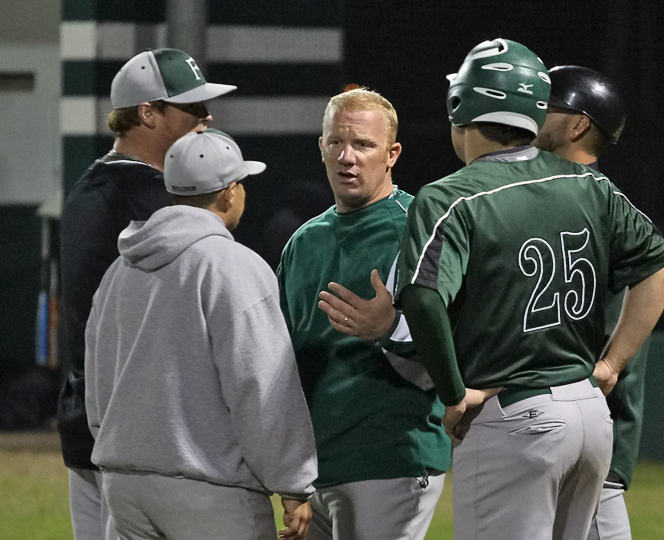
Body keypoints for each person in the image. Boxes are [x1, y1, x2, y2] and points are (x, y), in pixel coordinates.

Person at [395, 39, 664, 540]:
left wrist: (453, 394)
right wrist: (611, 365)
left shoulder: (451, 195)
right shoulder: (590, 185)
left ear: (461, 105)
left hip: (515, 418)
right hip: (590, 415)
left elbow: (422, 296)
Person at [85, 130, 317, 539]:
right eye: (241, 183)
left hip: (124, 486)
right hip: (209, 491)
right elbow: (261, 384)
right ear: (228, 194)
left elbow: (96, 379)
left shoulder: (120, 270)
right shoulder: (232, 265)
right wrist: (293, 481)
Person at [57, 48, 236, 540]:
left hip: (93, 421)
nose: (206, 117)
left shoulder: (91, 186)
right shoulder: (147, 198)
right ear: (147, 113)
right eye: (192, 108)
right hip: (143, 440)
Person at [277, 88, 451, 540]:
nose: (347, 157)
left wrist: (390, 328)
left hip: (391, 457)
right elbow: (284, 356)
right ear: (321, 147)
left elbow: (460, 345)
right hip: (314, 465)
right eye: (336, 142)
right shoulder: (303, 241)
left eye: (364, 145)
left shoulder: (420, 229)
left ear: (392, 154)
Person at [533, 64, 663, 538]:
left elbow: (663, 270)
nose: (534, 114)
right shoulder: (555, 197)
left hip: (594, 431)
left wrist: (610, 366)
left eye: (546, 107)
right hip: (554, 429)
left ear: (578, 123)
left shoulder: (602, 203)